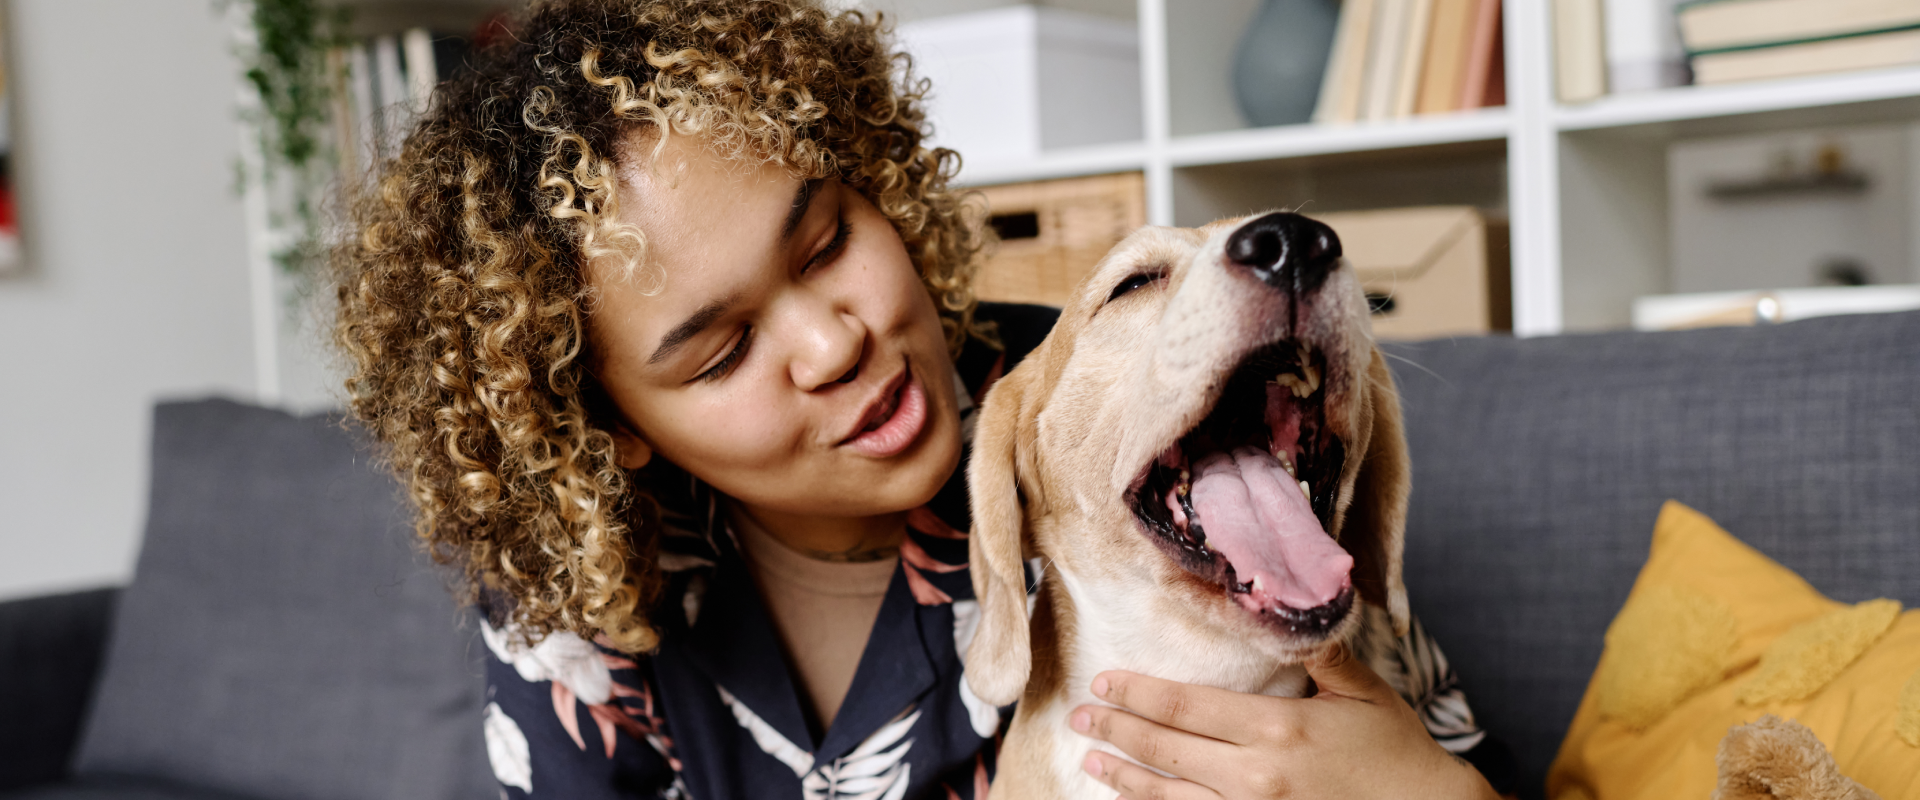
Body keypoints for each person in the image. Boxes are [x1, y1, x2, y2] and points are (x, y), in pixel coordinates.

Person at [331, 1, 1515, 798]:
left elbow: (1409, 725)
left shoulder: (1114, 410)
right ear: (609, 427)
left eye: (825, 242)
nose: (833, 341)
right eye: (721, 352)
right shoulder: (575, 608)